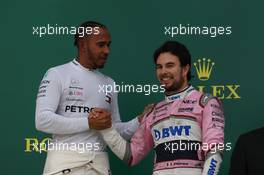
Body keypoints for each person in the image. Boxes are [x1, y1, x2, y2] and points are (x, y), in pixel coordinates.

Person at [92, 41, 225, 175]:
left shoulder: (205, 102)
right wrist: (107, 128)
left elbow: (214, 152)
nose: (163, 72)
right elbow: (131, 155)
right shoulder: (154, 111)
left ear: (185, 69)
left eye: (170, 66)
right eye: (159, 67)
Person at [35, 21, 142, 175]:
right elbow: (42, 120)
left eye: (108, 45)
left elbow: (114, 130)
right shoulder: (57, 74)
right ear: (83, 45)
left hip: (99, 169)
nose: (107, 50)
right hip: (63, 168)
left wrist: (139, 121)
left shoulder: (109, 83)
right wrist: (89, 122)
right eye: (101, 45)